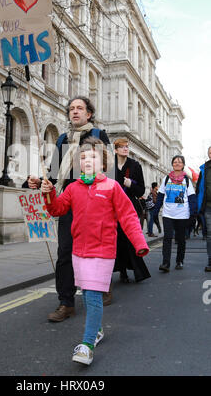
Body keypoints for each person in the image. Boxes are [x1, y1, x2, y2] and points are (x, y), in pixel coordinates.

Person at [41, 137, 149, 365]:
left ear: (104, 163)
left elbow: (128, 216)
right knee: (88, 293)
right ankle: (97, 329)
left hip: (103, 251)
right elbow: (57, 209)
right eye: (83, 157)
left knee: (92, 295)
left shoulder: (112, 187)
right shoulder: (72, 188)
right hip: (79, 250)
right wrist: (49, 193)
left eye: (92, 157)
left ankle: (87, 345)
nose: (87, 161)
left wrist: (140, 242)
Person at [28, 97, 111, 321]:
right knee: (65, 252)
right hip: (67, 202)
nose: (75, 112)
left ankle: (99, 286)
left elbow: (107, 169)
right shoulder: (63, 138)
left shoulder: (97, 135)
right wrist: (40, 181)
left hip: (92, 202)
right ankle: (66, 302)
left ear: (89, 114)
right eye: (72, 108)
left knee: (92, 251)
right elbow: (55, 172)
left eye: (80, 108)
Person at [113, 137, 151, 283]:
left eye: (127, 146)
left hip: (130, 208)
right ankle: (122, 271)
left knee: (130, 239)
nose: (125, 149)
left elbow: (141, 190)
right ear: (115, 150)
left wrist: (130, 185)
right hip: (114, 208)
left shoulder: (135, 165)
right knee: (117, 240)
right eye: (122, 147)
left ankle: (138, 271)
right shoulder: (110, 166)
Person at [154, 155, 197, 272]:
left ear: (183, 165)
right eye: (175, 162)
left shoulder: (186, 180)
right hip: (168, 214)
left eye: (180, 162)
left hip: (182, 215)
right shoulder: (166, 179)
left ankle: (179, 260)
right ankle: (165, 263)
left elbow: (192, 198)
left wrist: (193, 214)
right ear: (172, 164)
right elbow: (160, 196)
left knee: (180, 239)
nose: (177, 163)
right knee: (167, 238)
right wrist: (156, 210)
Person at [196, 146, 211, 271]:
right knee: (210, 235)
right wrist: (199, 205)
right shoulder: (204, 168)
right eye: (210, 152)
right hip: (208, 207)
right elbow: (199, 188)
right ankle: (210, 262)